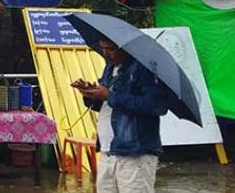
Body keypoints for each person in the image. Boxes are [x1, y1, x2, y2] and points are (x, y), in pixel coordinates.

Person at [72, 39, 171, 193]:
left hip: (135, 153)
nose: (106, 54)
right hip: (107, 150)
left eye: (111, 49)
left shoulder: (144, 69)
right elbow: (105, 105)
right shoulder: (110, 68)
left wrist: (110, 96)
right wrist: (90, 94)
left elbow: (156, 105)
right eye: (103, 49)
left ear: (125, 48)